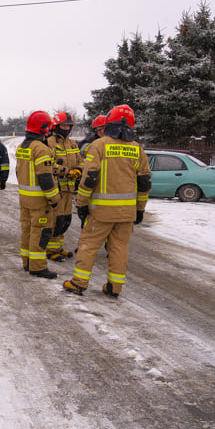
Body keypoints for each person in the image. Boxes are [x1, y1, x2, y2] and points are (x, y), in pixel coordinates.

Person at [63, 104, 152, 297]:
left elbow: (89, 178)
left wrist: (82, 204)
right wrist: (140, 209)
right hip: (126, 213)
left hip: (101, 211)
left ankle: (79, 283)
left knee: (88, 245)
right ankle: (115, 287)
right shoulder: (137, 149)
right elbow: (144, 182)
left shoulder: (99, 146)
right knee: (119, 248)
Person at [15, 111, 61, 278]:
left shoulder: (23, 146)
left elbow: (19, 171)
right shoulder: (41, 149)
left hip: (25, 198)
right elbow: (45, 178)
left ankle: (27, 262)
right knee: (40, 232)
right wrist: (54, 199)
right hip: (39, 201)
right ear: (44, 129)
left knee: (26, 230)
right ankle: (38, 266)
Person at [46, 111, 83, 262]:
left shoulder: (73, 144)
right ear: (56, 126)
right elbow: (48, 166)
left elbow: (81, 161)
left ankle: (59, 247)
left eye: (69, 125)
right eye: (64, 125)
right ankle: (51, 249)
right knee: (56, 220)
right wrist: (67, 172)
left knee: (66, 220)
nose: (67, 128)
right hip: (57, 188)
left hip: (70, 190)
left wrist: (78, 170)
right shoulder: (49, 143)